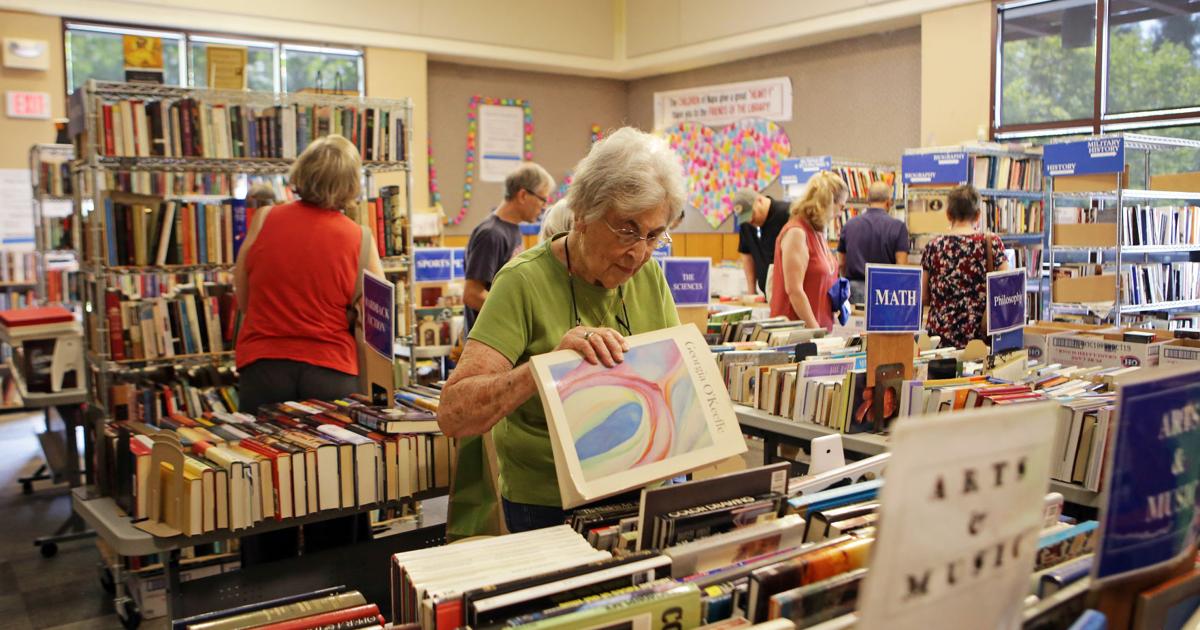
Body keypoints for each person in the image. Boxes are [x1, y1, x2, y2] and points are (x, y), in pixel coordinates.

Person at [438, 127, 684, 533]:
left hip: (642, 489)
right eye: (627, 229)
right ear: (585, 214)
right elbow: (453, 415)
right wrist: (546, 368)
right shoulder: (522, 281)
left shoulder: (649, 277)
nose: (639, 253)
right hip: (549, 503)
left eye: (654, 235)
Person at [234, 134, 383, 562]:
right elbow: (376, 320)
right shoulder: (359, 238)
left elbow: (243, 296)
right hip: (331, 374)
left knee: (264, 488)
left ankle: (264, 588)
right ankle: (335, 589)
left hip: (263, 369)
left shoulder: (264, 220)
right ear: (351, 184)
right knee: (333, 489)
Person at [463, 163, 554, 335]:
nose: (544, 207)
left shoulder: (512, 229)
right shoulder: (491, 234)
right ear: (523, 195)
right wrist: (517, 314)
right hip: (489, 338)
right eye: (543, 199)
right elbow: (472, 294)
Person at [922, 184, 1009, 349]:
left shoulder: (933, 246)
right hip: (979, 341)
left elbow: (924, 296)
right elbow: (1006, 292)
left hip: (940, 342)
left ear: (948, 215)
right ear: (978, 215)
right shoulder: (991, 244)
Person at [769, 171, 847, 330]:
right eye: (842, 205)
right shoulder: (797, 232)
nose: (841, 212)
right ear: (829, 202)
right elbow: (794, 290)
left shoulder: (817, 232)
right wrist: (816, 332)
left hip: (818, 331)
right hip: (797, 334)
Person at [836, 181, 909, 304]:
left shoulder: (849, 225)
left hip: (854, 289)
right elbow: (901, 266)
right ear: (889, 202)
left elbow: (841, 262)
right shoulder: (898, 227)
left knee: (855, 323)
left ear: (867, 200)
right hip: (885, 291)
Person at [733, 189, 790, 295]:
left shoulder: (787, 213)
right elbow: (746, 253)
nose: (750, 220)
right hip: (767, 295)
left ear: (759, 200)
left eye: (752, 214)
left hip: (787, 294)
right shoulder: (747, 225)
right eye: (746, 218)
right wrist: (751, 291)